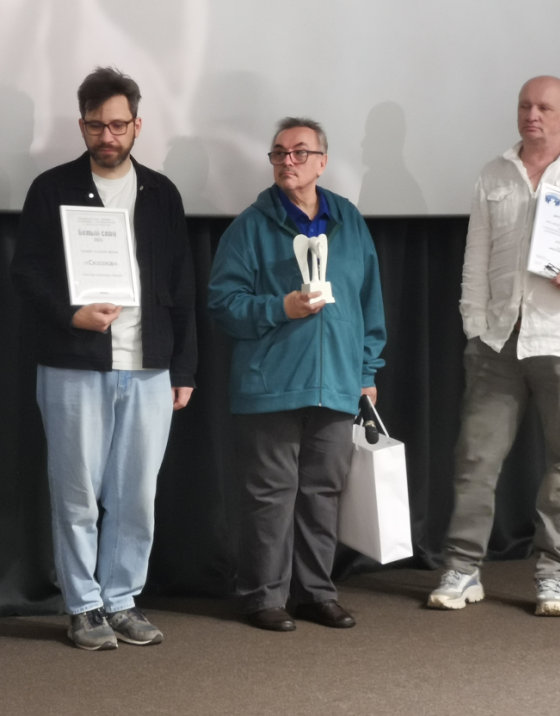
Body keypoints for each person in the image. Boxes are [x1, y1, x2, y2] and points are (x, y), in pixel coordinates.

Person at [427, 76, 560, 616]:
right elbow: (476, 256)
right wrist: (474, 325)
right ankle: (463, 568)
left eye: (544, 107)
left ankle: (551, 574)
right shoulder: (494, 172)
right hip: (497, 341)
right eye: (525, 105)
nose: (532, 115)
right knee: (475, 460)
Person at [11, 67, 196, 650]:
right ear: (82, 125)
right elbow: (26, 274)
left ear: (138, 125)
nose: (108, 136)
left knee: (136, 495)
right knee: (75, 493)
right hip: (73, 362)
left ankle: (120, 600)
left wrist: (184, 368)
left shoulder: (162, 193)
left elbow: (182, 284)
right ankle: (83, 606)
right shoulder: (51, 188)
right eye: (96, 125)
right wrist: (73, 314)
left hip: (149, 365)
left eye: (118, 125)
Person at [208, 117, 387, 632]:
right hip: (271, 384)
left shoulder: (349, 221)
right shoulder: (250, 226)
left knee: (322, 493)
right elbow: (223, 304)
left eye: (300, 152)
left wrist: (366, 369)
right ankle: (264, 596)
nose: (288, 161)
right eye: (279, 153)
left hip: (337, 383)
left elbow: (369, 303)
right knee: (270, 496)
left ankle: (314, 593)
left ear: (322, 162)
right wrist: (280, 308)